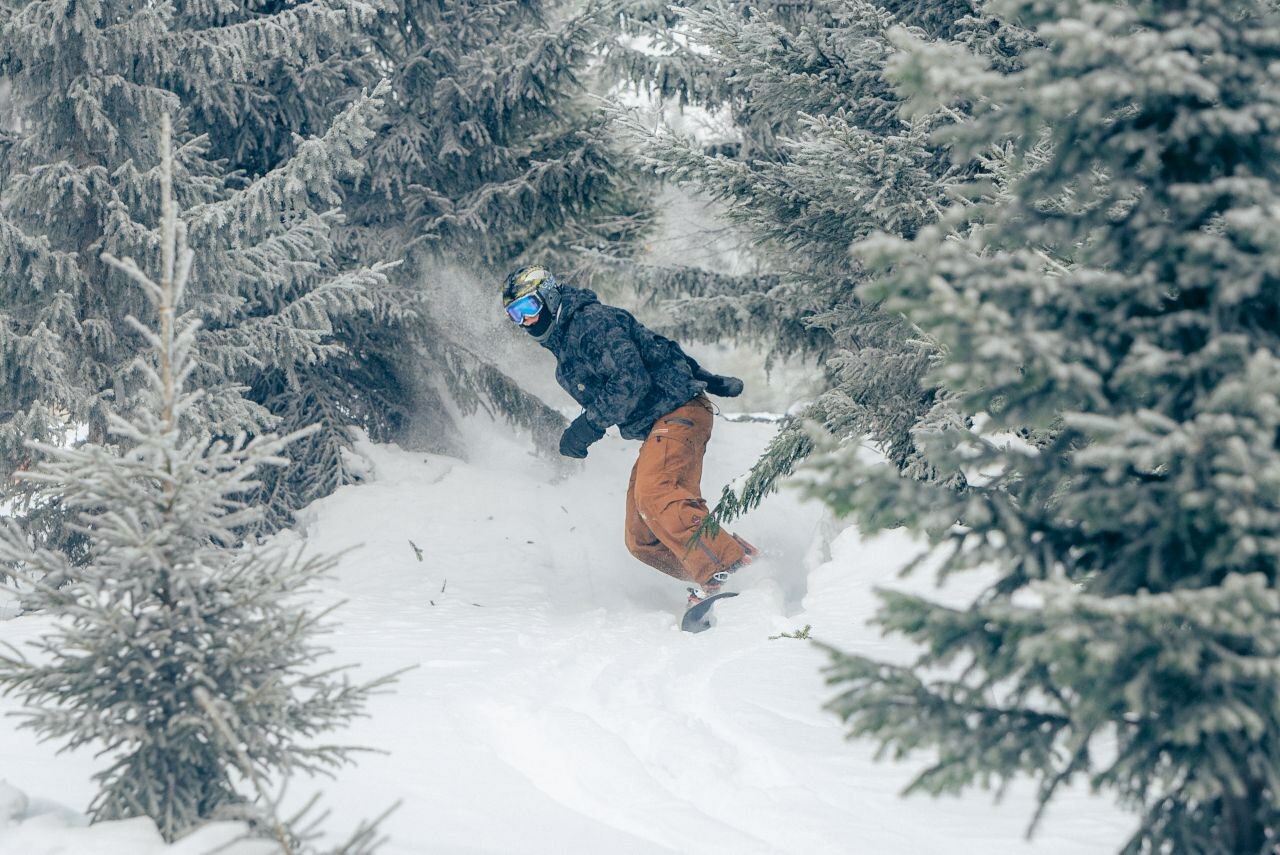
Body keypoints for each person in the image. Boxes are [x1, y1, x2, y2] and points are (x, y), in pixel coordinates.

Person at [501, 265, 757, 607]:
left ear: (547, 296)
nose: (525, 321)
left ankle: (725, 570)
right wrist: (707, 376)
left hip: (679, 411)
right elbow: (655, 345)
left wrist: (588, 426)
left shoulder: (588, 323)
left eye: (528, 308)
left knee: (656, 493)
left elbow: (630, 380)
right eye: (514, 315)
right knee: (641, 538)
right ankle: (735, 562)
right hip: (662, 424)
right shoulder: (569, 343)